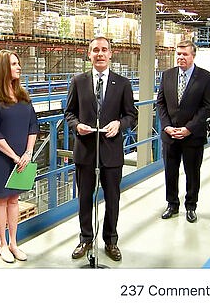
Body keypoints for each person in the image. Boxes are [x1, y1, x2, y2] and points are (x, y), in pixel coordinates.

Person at [65, 36, 137, 262]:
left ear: (110, 54)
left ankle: (110, 240)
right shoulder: (78, 81)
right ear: (89, 54)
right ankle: (86, 238)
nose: (100, 54)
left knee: (113, 198)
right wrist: (77, 126)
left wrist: (120, 124)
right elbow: (69, 113)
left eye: (104, 50)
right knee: (84, 198)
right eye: (95, 50)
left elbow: (131, 115)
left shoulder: (122, 83)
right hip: (86, 151)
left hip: (111, 152)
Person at [0, 50, 39, 263]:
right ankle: (2, 243)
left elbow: (33, 125)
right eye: (14, 64)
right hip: (1, 158)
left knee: (15, 199)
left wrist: (28, 153)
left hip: (22, 158)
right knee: (1, 201)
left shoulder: (23, 96)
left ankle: (14, 242)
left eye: (18, 63)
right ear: (3, 68)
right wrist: (15, 156)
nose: (18, 67)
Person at [156, 40, 210, 223]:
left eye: (185, 54)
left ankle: (191, 206)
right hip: (170, 135)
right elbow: (161, 103)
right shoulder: (167, 75)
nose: (181, 57)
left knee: (192, 172)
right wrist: (166, 126)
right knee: (170, 172)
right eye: (178, 54)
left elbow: (206, 108)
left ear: (193, 56)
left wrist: (189, 128)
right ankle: (172, 204)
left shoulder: (205, 77)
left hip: (193, 137)